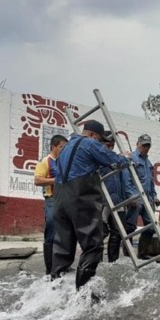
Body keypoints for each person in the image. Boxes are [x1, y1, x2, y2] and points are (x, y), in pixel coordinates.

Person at [50, 120, 130, 293]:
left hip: (60, 198)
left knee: (63, 245)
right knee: (93, 244)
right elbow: (115, 161)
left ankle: (55, 289)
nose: (101, 144)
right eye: (101, 140)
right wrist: (126, 158)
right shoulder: (90, 143)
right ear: (93, 135)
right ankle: (84, 292)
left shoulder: (66, 146)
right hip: (80, 197)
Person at [99, 132, 137, 262]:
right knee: (101, 232)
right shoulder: (99, 157)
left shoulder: (116, 158)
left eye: (112, 144)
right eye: (107, 144)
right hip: (103, 201)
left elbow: (124, 177)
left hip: (118, 201)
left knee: (118, 232)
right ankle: (96, 262)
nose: (110, 146)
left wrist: (127, 197)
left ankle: (113, 262)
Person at [34, 134, 67, 275]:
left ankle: (63, 266)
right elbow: (37, 180)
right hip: (52, 200)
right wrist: (55, 180)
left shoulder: (65, 162)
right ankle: (50, 269)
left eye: (65, 147)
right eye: (61, 147)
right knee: (52, 231)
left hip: (65, 200)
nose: (63, 150)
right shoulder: (45, 161)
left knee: (65, 233)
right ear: (53, 146)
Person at [124, 134, 160, 259]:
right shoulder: (131, 159)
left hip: (148, 199)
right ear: (137, 144)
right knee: (130, 227)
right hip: (136, 198)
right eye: (143, 145)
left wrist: (154, 197)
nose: (145, 148)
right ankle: (128, 256)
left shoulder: (148, 163)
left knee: (151, 227)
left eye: (147, 146)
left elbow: (151, 182)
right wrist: (131, 196)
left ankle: (142, 254)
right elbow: (127, 179)